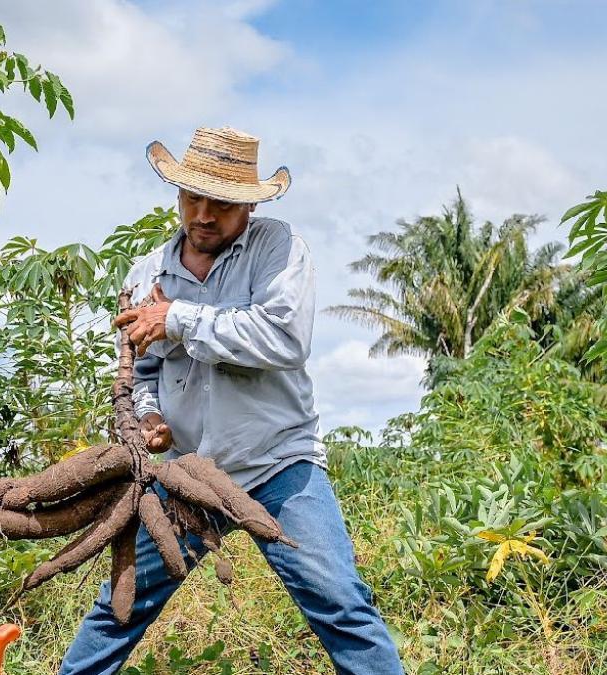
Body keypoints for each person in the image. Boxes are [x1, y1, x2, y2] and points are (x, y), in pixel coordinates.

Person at [59, 127, 405, 674]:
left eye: (220, 203)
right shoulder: (147, 273)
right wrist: (150, 415)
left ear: (248, 204)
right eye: (192, 199)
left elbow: (283, 341)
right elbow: (143, 369)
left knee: (341, 606)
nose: (202, 214)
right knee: (119, 610)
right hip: (189, 474)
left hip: (278, 464)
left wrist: (176, 318)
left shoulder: (278, 249)